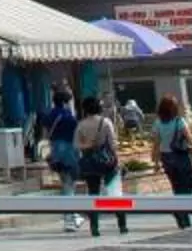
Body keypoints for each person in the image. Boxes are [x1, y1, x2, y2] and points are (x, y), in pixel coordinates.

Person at [73, 97, 129, 238]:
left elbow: (76, 145)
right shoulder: (106, 122)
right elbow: (113, 143)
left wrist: (88, 145)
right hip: (107, 160)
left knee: (93, 194)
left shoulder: (81, 125)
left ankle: (94, 227)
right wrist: (118, 161)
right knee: (115, 193)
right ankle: (122, 225)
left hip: (90, 161)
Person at [153, 95, 192, 231]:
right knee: (186, 188)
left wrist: (156, 163)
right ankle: (181, 214)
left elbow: (156, 144)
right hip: (181, 157)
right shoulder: (179, 121)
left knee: (176, 188)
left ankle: (182, 216)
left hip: (167, 158)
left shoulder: (158, 123)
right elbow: (191, 141)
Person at [43, 87, 83, 234]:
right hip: (68, 154)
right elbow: (77, 136)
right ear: (66, 102)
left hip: (55, 153)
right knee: (69, 185)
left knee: (66, 184)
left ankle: (73, 216)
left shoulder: (50, 115)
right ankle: (70, 218)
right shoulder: (68, 118)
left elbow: (46, 131)